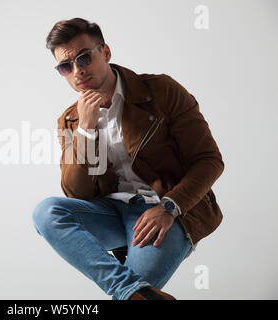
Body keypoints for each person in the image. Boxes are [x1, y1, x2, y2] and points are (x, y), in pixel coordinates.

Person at [32, 17, 224, 300]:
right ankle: (129, 290)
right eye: (65, 66)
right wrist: (86, 130)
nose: (77, 71)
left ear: (106, 52)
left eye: (84, 58)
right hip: (110, 213)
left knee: (134, 296)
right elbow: (76, 192)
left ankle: (129, 291)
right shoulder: (70, 119)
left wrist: (170, 207)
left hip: (163, 212)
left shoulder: (160, 91)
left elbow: (209, 160)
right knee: (46, 211)